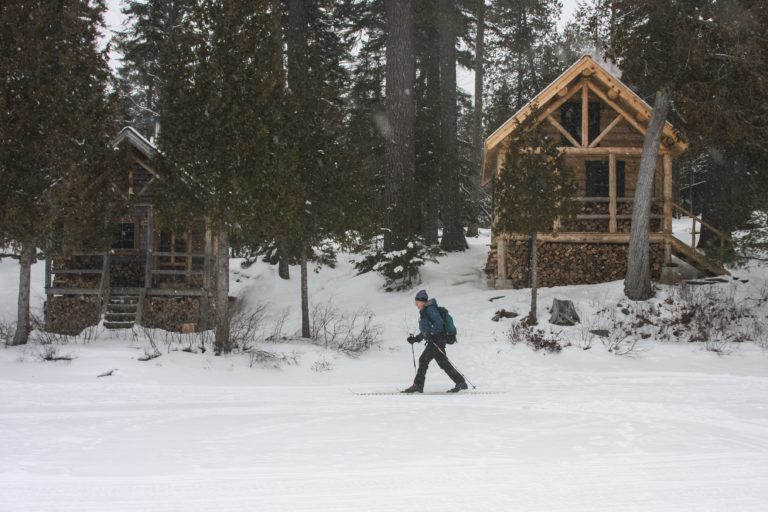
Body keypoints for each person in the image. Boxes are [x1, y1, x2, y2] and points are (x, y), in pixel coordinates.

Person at [402, 289, 468, 393]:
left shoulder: (430, 309)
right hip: (436, 340)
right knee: (443, 363)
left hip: (437, 340)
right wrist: (416, 339)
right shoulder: (425, 311)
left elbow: (439, 323)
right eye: (416, 303)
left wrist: (432, 333)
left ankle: (418, 385)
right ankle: (461, 382)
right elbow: (426, 331)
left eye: (417, 303)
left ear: (422, 301)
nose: (416, 305)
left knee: (423, 360)